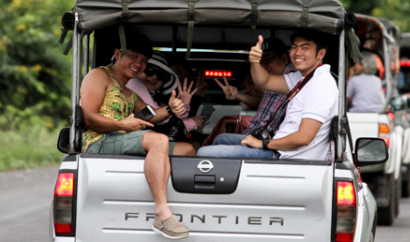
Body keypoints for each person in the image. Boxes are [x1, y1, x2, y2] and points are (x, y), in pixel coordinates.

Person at [80, 31, 195, 239]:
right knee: (158, 139)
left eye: (144, 60)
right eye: (134, 56)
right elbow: (88, 117)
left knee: (186, 149)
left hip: (118, 140)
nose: (139, 63)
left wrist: (169, 108)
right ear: (117, 54)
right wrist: (121, 124)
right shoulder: (99, 75)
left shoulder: (130, 93)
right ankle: (162, 214)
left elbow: (150, 116)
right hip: (98, 141)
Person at [197, 29, 338, 161]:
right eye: (294, 47)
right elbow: (264, 81)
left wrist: (262, 143)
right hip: (278, 148)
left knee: (202, 153)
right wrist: (254, 61)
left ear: (320, 54)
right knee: (221, 139)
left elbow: (304, 137)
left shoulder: (321, 84)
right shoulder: (304, 78)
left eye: (305, 48)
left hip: (283, 155)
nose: (297, 53)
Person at [204, 37, 295, 146]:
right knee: (220, 139)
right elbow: (262, 103)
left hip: (269, 143)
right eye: (261, 62)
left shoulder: (293, 78)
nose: (264, 66)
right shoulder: (272, 79)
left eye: (269, 60)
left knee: (206, 152)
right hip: (254, 136)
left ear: (284, 59)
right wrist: (237, 96)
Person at [127, 51, 206, 135]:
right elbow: (153, 117)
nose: (154, 76)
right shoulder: (133, 82)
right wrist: (188, 123)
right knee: (188, 148)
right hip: (125, 139)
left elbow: (167, 121)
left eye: (161, 75)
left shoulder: (158, 97)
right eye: (150, 70)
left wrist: (184, 105)